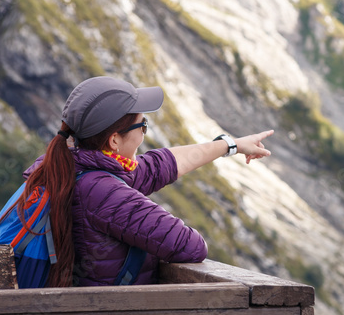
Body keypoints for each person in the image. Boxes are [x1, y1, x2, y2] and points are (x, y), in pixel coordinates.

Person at [20, 76, 273, 287]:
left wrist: (230, 145)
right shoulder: (104, 194)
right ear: (114, 141)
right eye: (143, 125)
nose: (143, 132)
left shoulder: (68, 167)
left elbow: (160, 165)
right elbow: (191, 246)